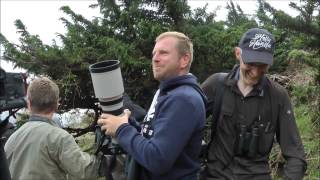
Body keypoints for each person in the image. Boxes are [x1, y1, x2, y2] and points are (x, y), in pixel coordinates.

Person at [98, 31, 207, 179]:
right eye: (154, 53)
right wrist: (127, 123)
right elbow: (150, 139)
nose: (155, 58)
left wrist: (122, 130)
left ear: (184, 60)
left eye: (163, 53)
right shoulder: (167, 93)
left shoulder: (183, 99)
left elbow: (157, 159)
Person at [201, 28, 307, 180]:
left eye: (263, 65)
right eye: (251, 63)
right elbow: (185, 127)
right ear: (238, 53)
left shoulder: (278, 96)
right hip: (214, 175)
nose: (256, 72)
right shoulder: (216, 85)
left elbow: (295, 154)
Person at [4, 77, 103, 180]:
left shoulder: (12, 139)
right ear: (57, 104)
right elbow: (85, 171)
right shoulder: (59, 137)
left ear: (29, 104)